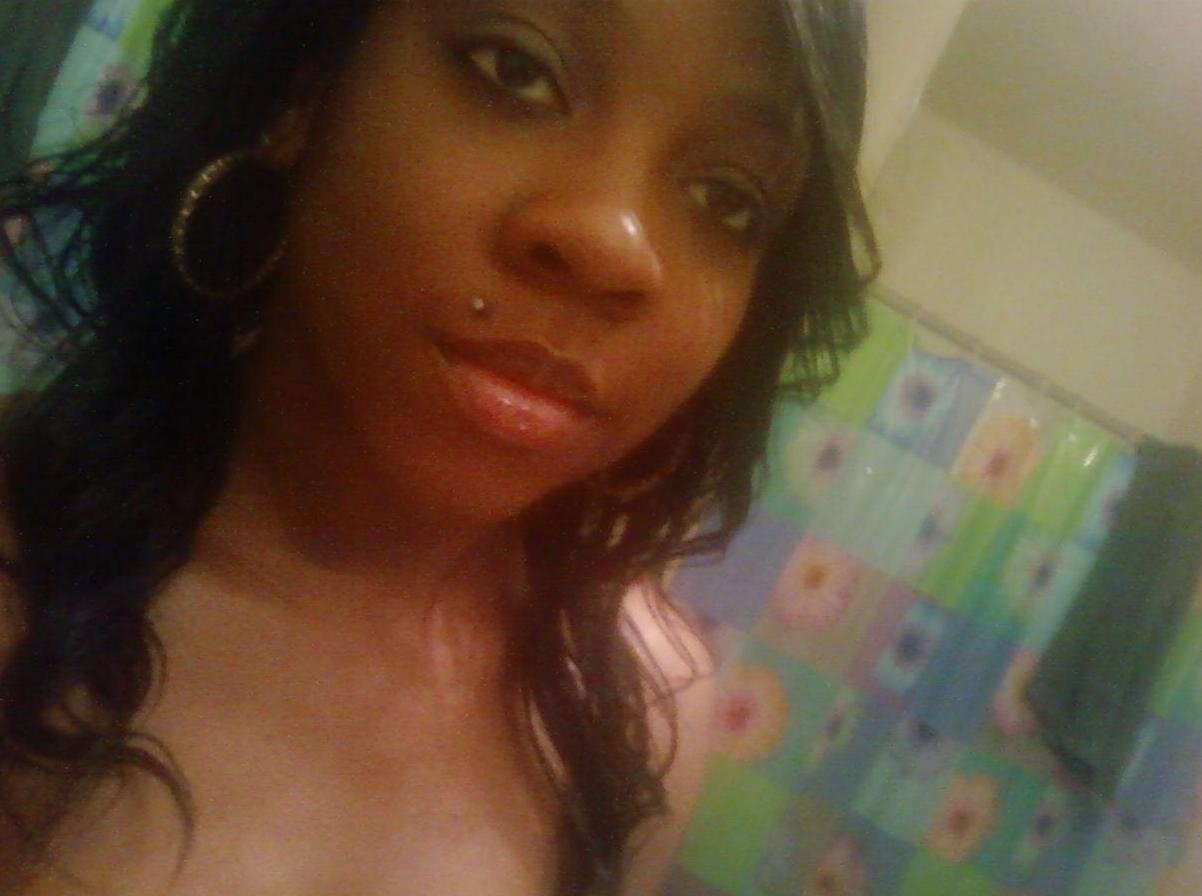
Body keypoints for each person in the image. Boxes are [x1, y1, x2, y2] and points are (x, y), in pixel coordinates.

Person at [0, 0, 875, 893]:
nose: (615, 247)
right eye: (517, 71)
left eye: (727, 198)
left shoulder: (642, 715)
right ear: (306, 85)